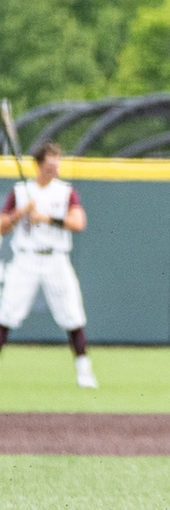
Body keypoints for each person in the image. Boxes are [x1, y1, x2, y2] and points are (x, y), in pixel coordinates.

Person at [0, 143, 95, 388]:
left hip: (56, 258)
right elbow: (2, 225)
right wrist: (21, 213)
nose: (55, 169)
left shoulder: (64, 191)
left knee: (72, 313)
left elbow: (79, 222)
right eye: (50, 165)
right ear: (39, 165)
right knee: (6, 312)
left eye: (57, 164)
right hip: (26, 258)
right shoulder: (21, 192)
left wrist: (46, 218)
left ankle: (84, 370)